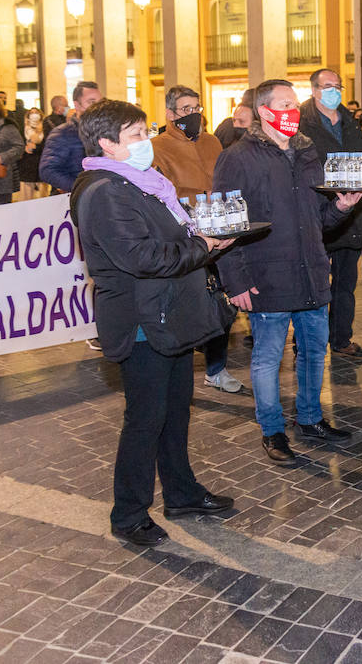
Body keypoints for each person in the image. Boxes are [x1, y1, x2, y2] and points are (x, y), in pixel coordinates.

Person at [70, 99, 236, 547]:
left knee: (175, 411)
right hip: (142, 322)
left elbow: (170, 236)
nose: (148, 141)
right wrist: (203, 247)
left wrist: (203, 238)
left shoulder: (142, 183)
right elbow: (143, 257)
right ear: (107, 144)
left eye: (146, 131)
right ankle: (128, 514)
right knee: (145, 420)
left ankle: (181, 493)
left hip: (169, 314)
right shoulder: (105, 191)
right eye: (137, 135)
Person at [214, 79, 362, 465]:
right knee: (268, 357)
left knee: (314, 351)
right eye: (284, 105)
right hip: (266, 274)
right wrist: (235, 279)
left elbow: (318, 219)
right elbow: (224, 225)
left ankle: (311, 418)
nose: (292, 111)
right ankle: (273, 430)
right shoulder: (237, 157)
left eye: (294, 104)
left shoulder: (307, 151)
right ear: (263, 111)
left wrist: (342, 207)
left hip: (311, 270)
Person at [151, 85, 243, 394]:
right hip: (184, 235)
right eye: (186, 109)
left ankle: (216, 368)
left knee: (220, 300)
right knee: (186, 302)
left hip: (219, 230)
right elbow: (159, 192)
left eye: (197, 108)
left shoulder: (211, 141)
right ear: (170, 114)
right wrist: (197, 199)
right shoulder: (157, 146)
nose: (193, 115)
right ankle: (179, 367)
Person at [298, 69, 362, 363]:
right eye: (328, 86)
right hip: (317, 211)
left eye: (338, 86)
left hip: (351, 213)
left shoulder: (351, 123)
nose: (334, 91)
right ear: (314, 90)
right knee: (313, 283)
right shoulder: (301, 122)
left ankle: (341, 338)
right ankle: (306, 342)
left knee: (345, 284)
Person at [40, 81, 103, 193]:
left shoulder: (107, 130)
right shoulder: (62, 133)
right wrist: (80, 188)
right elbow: (48, 171)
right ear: (77, 104)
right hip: (78, 196)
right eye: (91, 102)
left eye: (100, 102)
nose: (98, 107)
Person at [18, 108, 47, 199]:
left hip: (41, 165)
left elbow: (48, 145)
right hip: (26, 167)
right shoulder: (22, 129)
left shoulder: (45, 129)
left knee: (43, 196)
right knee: (26, 198)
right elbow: (17, 144)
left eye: (36, 112)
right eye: (32, 113)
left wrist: (36, 147)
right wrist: (24, 148)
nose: (34, 114)